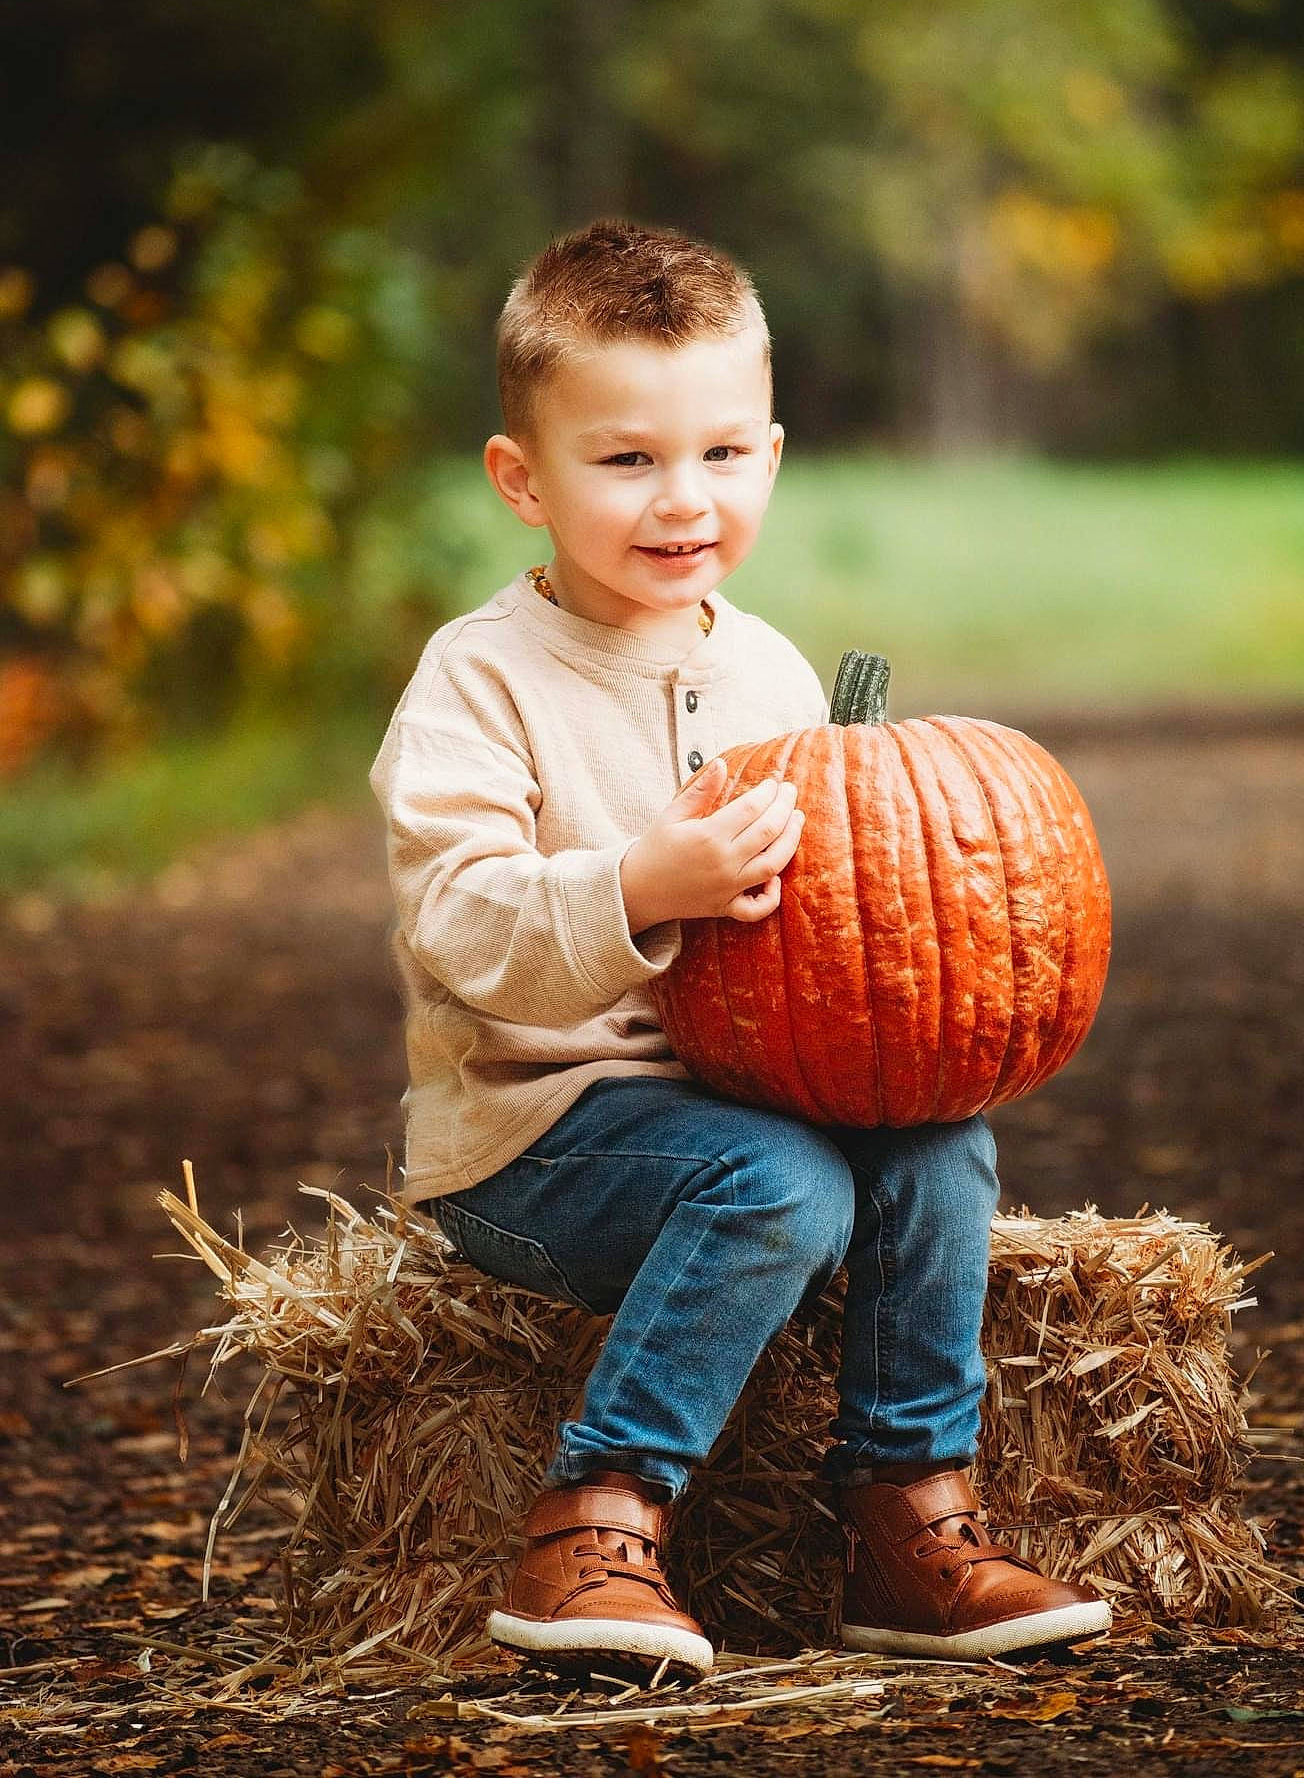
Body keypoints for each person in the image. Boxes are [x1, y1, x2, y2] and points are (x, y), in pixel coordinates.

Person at [369, 216, 1111, 1678]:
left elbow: (844, 913)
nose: (678, 499)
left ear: (768, 457)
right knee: (775, 1178)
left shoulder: (768, 670)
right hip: (534, 1148)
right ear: (523, 478)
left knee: (931, 1142)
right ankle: (596, 1517)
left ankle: (905, 1516)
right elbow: (459, 927)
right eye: (626, 459)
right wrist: (640, 885)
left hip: (732, 1103)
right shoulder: (480, 680)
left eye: (718, 455)